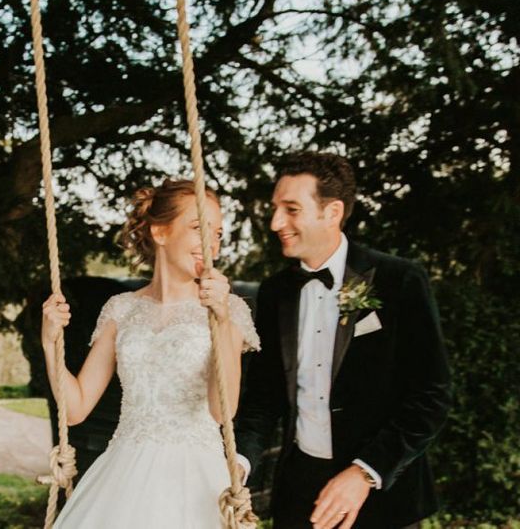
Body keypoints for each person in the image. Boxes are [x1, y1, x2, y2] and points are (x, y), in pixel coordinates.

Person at [235, 152, 451, 529]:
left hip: (382, 495)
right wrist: (240, 462)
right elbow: (263, 399)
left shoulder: (399, 281)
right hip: (299, 494)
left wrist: (365, 472)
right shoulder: (274, 293)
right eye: (275, 209)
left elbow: (431, 395)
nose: (275, 223)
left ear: (332, 212)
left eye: (291, 209)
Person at [42, 179, 259, 528]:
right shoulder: (121, 309)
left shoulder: (228, 309)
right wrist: (50, 342)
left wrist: (220, 321)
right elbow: (76, 408)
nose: (211, 243)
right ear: (160, 233)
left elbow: (223, 411)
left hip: (195, 478)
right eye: (198, 228)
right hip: (122, 473)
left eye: (218, 233)